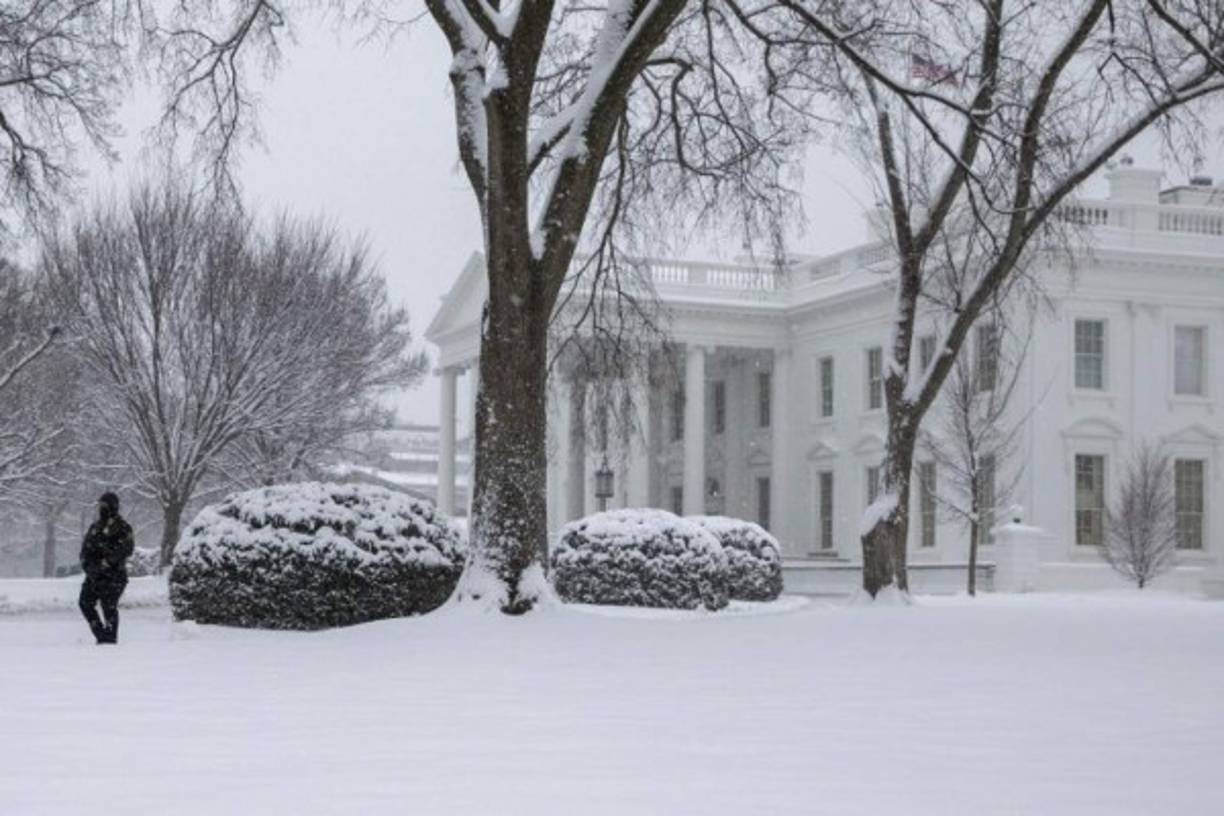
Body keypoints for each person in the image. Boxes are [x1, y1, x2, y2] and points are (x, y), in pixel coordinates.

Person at [78, 492, 135, 645]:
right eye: (100, 506)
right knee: (84, 603)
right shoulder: (94, 528)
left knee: (108, 607)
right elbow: (85, 551)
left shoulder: (123, 528)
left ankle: (110, 638)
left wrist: (106, 563)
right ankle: (101, 634)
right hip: (93, 576)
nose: (101, 509)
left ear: (113, 507)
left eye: (105, 506)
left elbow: (126, 549)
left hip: (114, 576)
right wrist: (88, 566)